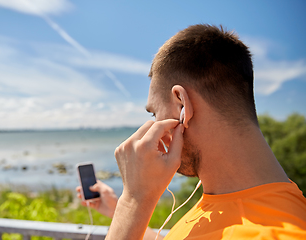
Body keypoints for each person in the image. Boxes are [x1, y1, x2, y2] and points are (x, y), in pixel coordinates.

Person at [76, 24, 306, 240]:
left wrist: (133, 201)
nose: (153, 127)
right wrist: (121, 211)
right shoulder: (262, 206)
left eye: (154, 114)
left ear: (182, 105)